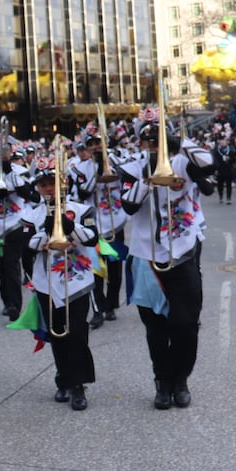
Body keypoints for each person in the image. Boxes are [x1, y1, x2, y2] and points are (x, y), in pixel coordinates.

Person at [120, 120, 213, 410]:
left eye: (159, 138)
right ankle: (162, 381)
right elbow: (128, 205)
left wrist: (180, 143)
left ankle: (180, 379)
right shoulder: (132, 167)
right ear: (140, 142)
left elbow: (209, 165)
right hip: (146, 255)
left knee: (186, 323)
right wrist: (147, 177)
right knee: (155, 326)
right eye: (149, 139)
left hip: (182, 250)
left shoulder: (184, 162)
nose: (155, 145)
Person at [22, 149, 98, 411]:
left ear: (63, 183)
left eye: (52, 183)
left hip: (76, 280)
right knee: (57, 334)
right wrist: (46, 231)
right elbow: (27, 245)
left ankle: (79, 385)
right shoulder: (31, 214)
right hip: (47, 283)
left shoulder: (81, 209)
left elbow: (93, 237)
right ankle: (63, 379)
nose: (48, 189)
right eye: (43, 184)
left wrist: (71, 227)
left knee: (76, 333)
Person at [0, 136, 32, 322]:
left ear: (10, 151)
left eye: (5, 150)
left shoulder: (21, 171)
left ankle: (14, 305)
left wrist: (11, 175)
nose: (1, 153)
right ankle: (7, 300)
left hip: (14, 224)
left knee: (11, 263)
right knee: (2, 265)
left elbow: (29, 194)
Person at [88, 136, 127, 330]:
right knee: (95, 270)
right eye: (92, 144)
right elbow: (82, 192)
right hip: (93, 225)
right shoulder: (81, 167)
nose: (96, 147)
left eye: (99, 143)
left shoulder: (118, 159)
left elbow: (128, 178)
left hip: (115, 224)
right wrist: (96, 171)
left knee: (114, 269)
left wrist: (110, 166)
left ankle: (111, 305)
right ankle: (98, 309)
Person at [213, 137, 236, 204]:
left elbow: (235, 160)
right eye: (221, 142)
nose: (222, 143)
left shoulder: (230, 151)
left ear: (226, 143)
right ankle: (220, 196)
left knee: (229, 185)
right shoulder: (216, 151)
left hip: (228, 169)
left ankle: (228, 198)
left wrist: (229, 159)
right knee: (220, 185)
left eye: (224, 142)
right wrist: (215, 169)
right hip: (220, 170)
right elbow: (214, 161)